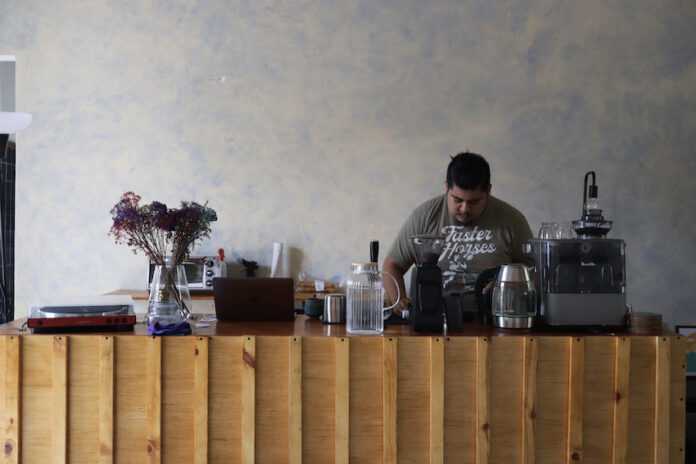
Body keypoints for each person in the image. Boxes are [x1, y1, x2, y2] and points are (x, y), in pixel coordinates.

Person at [383, 151, 533, 316]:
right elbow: (392, 265)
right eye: (457, 200)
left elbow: (536, 274)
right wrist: (400, 303)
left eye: (474, 202)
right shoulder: (425, 216)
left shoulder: (512, 220)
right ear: (447, 187)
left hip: (493, 322)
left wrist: (512, 284)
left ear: (488, 191)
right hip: (434, 321)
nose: (464, 209)